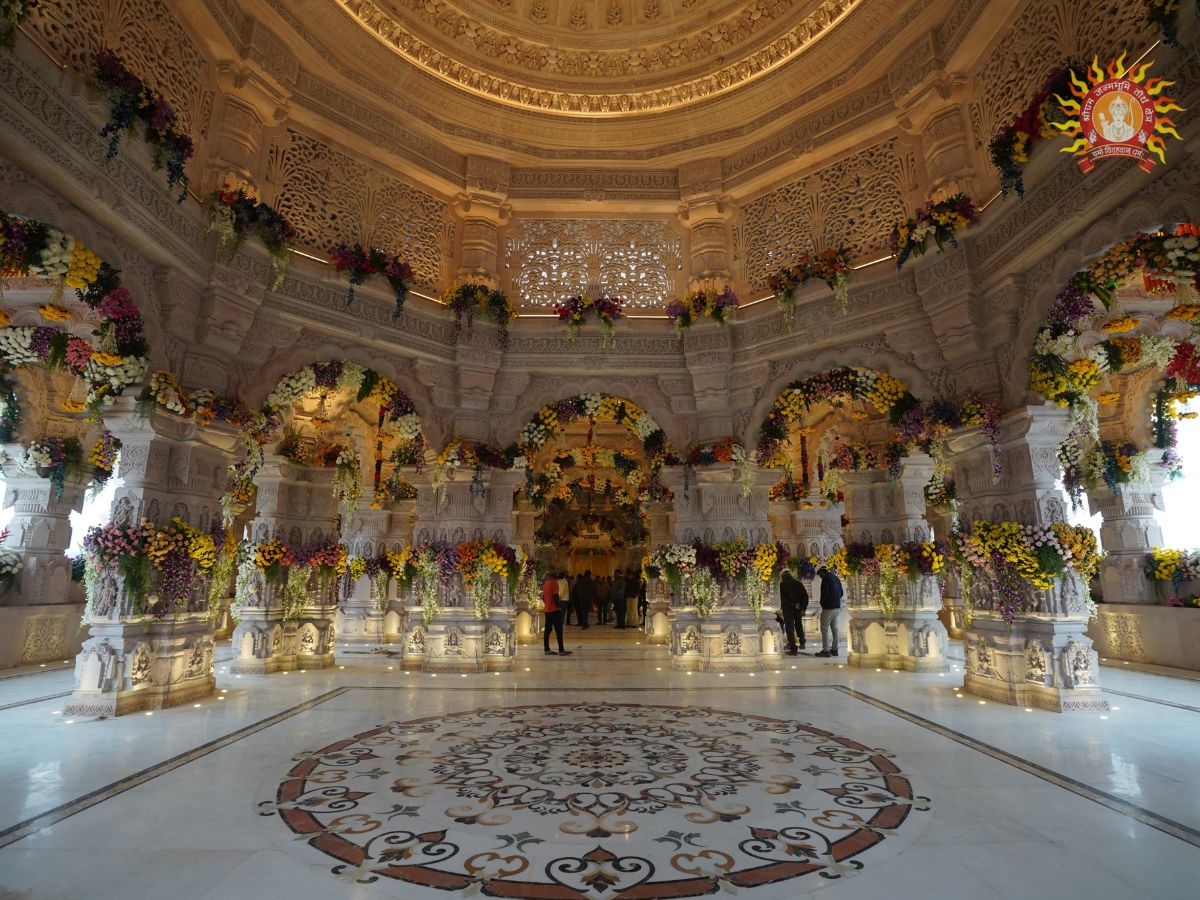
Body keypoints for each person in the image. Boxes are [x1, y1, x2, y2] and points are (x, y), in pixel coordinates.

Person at [815, 566, 844, 658]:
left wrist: (823, 603)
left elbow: (824, 594)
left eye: (820, 575)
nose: (820, 577)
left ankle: (826, 650)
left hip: (828, 608)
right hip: (837, 607)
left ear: (822, 572)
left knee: (824, 628)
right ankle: (835, 649)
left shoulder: (826, 579)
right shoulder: (836, 578)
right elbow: (842, 593)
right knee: (835, 629)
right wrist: (835, 600)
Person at [542, 571, 572, 656]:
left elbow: (544, 597)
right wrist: (558, 606)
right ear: (555, 575)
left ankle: (546, 649)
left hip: (547, 609)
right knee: (559, 630)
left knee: (547, 630)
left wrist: (547, 604)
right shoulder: (555, 583)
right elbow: (555, 596)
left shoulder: (546, 583)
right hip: (554, 610)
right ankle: (561, 650)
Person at [779, 569, 808, 655]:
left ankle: (793, 648)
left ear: (783, 576)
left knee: (790, 628)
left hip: (788, 610)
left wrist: (792, 605)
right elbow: (805, 597)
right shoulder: (799, 584)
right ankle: (802, 642)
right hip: (798, 609)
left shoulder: (782, 585)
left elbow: (782, 599)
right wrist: (803, 608)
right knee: (799, 625)